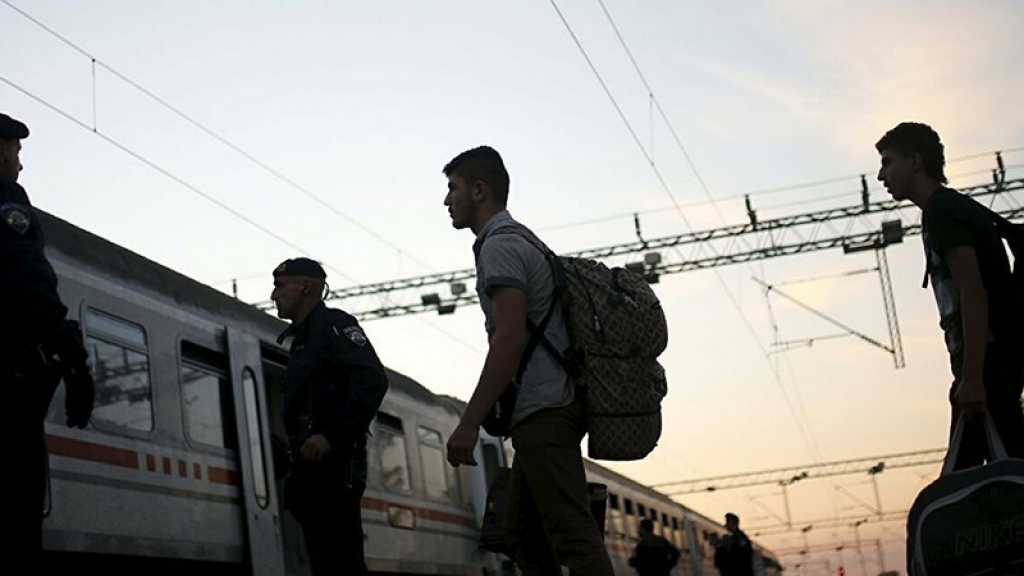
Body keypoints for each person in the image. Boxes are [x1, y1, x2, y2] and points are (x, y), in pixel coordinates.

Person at [442, 146, 614, 575]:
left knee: (572, 534)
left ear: (480, 191)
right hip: (547, 407)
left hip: (544, 411)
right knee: (521, 533)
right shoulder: (525, 240)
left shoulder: (500, 247)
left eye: (453, 189)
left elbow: (509, 339)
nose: (447, 201)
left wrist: (469, 420)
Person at [875, 122, 1023, 467]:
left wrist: (971, 378)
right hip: (994, 363)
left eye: (887, 161)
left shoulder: (941, 213)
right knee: (1002, 471)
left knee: (963, 486)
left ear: (914, 161)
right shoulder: (953, 208)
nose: (882, 175)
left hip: (985, 367)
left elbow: (973, 292)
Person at [1, 112, 95, 562]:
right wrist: (73, 356)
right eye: (16, 152)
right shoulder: (6, 202)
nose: (20, 165)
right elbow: (27, 280)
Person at [271, 258, 389, 575]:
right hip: (313, 472)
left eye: (280, 285)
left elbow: (372, 380)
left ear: (306, 287)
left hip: (336, 468)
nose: (273, 295)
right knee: (326, 562)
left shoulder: (334, 326)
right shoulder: (303, 339)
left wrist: (330, 436)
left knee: (342, 562)